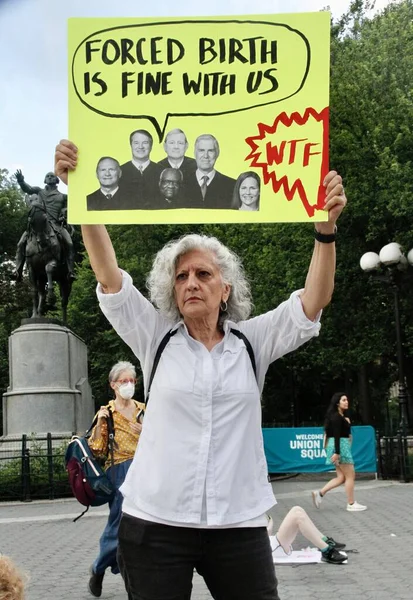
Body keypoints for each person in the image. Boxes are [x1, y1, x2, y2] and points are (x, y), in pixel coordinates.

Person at [55, 138, 347, 600]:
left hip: (238, 524)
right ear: (172, 291)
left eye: (203, 274)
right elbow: (109, 277)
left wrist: (325, 231)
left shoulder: (253, 342)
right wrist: (79, 193)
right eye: (181, 276)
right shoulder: (156, 339)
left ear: (225, 289)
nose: (191, 282)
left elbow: (313, 301)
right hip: (155, 522)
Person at [87, 361, 144, 597]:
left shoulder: (143, 409)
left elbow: (162, 440)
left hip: (144, 469)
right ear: (113, 385)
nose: (128, 385)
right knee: (120, 526)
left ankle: (132, 581)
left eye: (132, 381)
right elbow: (97, 450)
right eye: (124, 381)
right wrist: (99, 424)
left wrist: (147, 431)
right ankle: (100, 567)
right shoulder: (106, 413)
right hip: (119, 470)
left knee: (143, 527)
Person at [12, 170, 75, 281]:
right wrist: (21, 181)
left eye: (52, 176)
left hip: (56, 225)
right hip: (38, 225)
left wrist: (64, 212)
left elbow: (69, 207)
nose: (50, 177)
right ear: (45, 180)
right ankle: (18, 271)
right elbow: (28, 189)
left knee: (69, 243)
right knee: (20, 243)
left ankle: (70, 271)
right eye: (48, 176)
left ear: (57, 180)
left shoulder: (63, 197)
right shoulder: (39, 192)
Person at [312, 392, 367, 512]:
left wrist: (346, 422)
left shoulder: (338, 416)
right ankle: (351, 504)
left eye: (347, 400)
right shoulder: (336, 416)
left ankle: (319, 494)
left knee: (341, 477)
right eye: (343, 400)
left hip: (339, 446)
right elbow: (337, 435)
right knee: (350, 475)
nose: (346, 402)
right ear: (337, 402)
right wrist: (337, 452)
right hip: (340, 446)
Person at [268, 506, 347, 564]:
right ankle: (326, 550)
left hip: (272, 543)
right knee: (298, 517)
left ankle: (325, 540)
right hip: (273, 547)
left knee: (297, 509)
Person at [184, 134, 236, 209]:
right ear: (195, 153)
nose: (206, 156)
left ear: (217, 154)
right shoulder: (181, 183)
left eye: (210, 151)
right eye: (201, 150)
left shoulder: (232, 185)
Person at [119, 129, 163, 208]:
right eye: (136, 143)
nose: (140, 147)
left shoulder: (162, 171)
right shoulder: (119, 171)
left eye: (145, 143)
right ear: (131, 145)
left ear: (151, 146)